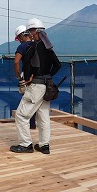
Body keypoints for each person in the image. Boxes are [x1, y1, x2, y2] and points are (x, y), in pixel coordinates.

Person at [10, 18, 61, 154]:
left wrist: (26, 79)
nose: (30, 34)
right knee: (43, 116)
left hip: (36, 87)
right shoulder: (49, 47)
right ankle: (44, 146)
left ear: (35, 31)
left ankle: (26, 144)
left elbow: (27, 64)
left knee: (21, 115)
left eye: (30, 31)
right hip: (47, 87)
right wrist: (48, 76)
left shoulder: (34, 46)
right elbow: (58, 65)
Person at [13, 24, 37, 130]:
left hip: (27, 78)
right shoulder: (36, 45)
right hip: (38, 77)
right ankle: (34, 124)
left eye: (18, 38)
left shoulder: (22, 47)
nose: (19, 40)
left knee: (27, 101)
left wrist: (19, 77)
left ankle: (28, 126)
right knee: (36, 102)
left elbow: (16, 62)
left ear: (22, 35)